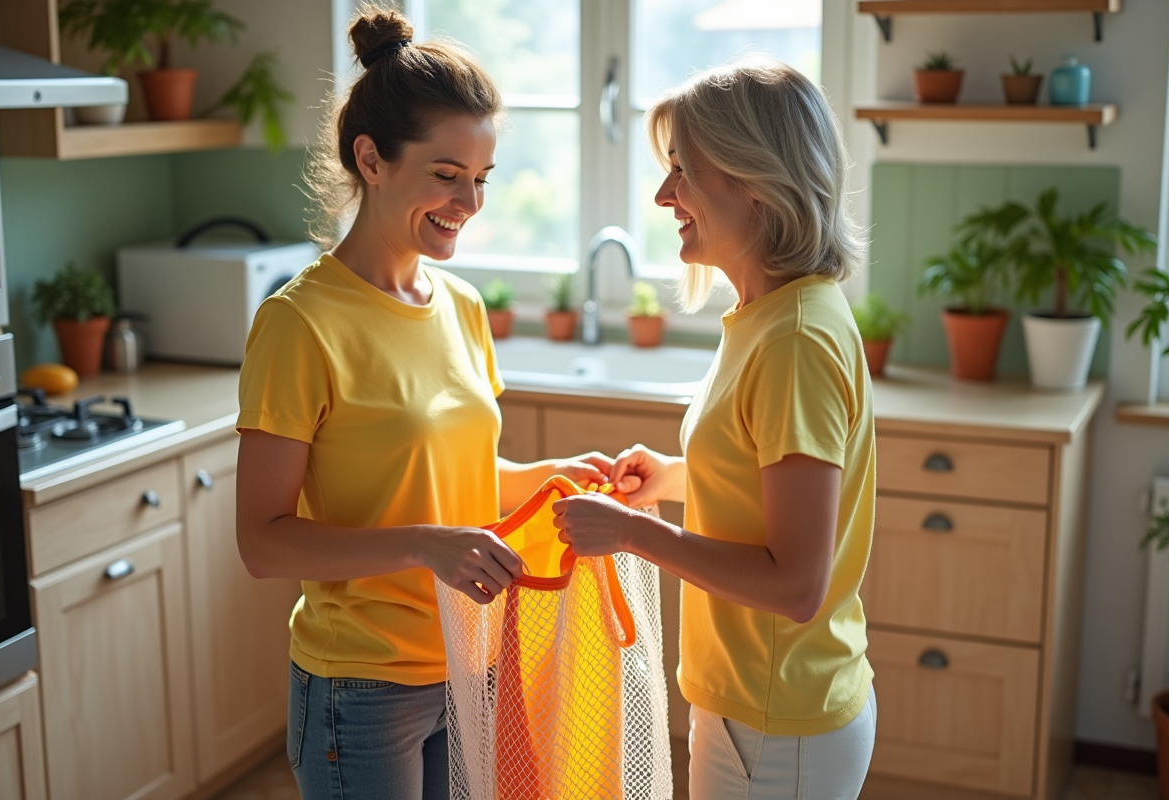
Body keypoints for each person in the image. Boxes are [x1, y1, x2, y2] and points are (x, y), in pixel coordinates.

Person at [234, 7, 607, 799]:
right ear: (371, 159)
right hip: (360, 686)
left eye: (481, 177)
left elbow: (453, 481)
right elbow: (262, 542)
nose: (469, 200)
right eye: (446, 174)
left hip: (469, 659)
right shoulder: (300, 322)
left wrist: (554, 477)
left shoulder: (463, 306)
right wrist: (422, 547)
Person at [552, 59, 877, 799]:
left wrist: (632, 534)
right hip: (757, 703)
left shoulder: (795, 339)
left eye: (684, 171)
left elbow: (796, 584)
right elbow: (763, 480)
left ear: (753, 181)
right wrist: (672, 477)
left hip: (777, 718)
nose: (664, 195)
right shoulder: (768, 315)